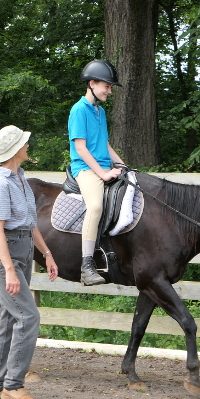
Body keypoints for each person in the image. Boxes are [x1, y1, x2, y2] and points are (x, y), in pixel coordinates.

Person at [0, 125, 59, 399]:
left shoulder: (21, 179)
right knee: (28, 317)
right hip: (7, 255)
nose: (28, 146)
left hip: (24, 248)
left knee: (10, 317)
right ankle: (13, 386)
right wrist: (10, 270)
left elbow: (30, 224)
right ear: (15, 150)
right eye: (24, 143)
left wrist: (47, 254)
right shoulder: (1, 184)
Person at [68, 59, 126, 286]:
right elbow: (81, 148)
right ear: (92, 83)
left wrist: (122, 165)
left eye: (110, 87)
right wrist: (102, 174)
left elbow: (105, 144)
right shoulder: (78, 110)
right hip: (85, 169)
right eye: (107, 86)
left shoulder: (100, 112)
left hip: (104, 166)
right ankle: (86, 265)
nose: (109, 91)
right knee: (95, 206)